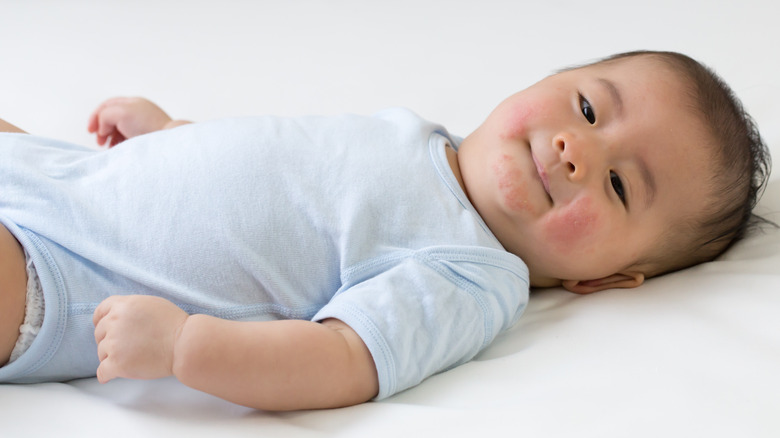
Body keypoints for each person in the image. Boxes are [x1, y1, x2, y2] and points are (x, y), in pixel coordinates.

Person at [0, 50, 770, 411]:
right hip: (65, 175)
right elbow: (276, 168)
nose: (579, 150)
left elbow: (343, 359)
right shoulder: (414, 133)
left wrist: (185, 347)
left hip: (60, 276)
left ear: (603, 278)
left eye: (618, 185)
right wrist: (170, 134)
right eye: (590, 109)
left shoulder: (473, 275)